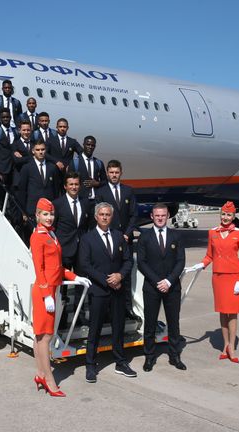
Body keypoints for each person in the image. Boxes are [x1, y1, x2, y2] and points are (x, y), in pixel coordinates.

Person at [30, 198, 91, 397]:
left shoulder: (51, 234)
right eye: (45, 214)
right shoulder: (38, 236)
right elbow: (39, 269)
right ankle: (49, 380)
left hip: (49, 291)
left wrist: (76, 277)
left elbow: (57, 267)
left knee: (40, 336)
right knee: (46, 337)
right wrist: (47, 295)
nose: (49, 217)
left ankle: (40, 374)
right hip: (44, 291)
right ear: (37, 215)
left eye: (51, 214)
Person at [79, 202, 135, 383]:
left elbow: (128, 261)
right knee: (94, 329)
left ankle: (121, 362)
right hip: (99, 291)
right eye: (101, 214)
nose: (104, 217)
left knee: (118, 327)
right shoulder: (87, 239)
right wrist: (107, 280)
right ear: (96, 217)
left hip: (118, 290)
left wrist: (120, 275)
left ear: (112, 217)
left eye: (108, 214)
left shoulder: (119, 236)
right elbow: (85, 265)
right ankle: (90, 365)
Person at [188, 201, 239, 363]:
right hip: (218, 278)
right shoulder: (212, 232)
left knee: (232, 313)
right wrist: (201, 264)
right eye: (223, 214)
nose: (225, 217)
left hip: (234, 277)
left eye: (229, 215)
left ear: (233, 216)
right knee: (222, 312)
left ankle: (232, 348)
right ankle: (225, 345)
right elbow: (209, 255)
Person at [137, 203, 187, 372]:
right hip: (152, 287)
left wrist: (169, 281)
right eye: (157, 215)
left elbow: (181, 261)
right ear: (152, 216)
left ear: (167, 216)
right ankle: (149, 357)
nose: (160, 218)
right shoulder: (144, 236)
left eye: (163, 215)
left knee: (174, 324)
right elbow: (141, 263)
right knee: (150, 324)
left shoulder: (176, 236)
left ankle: (175, 356)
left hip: (172, 287)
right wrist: (158, 281)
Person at [94, 159, 138, 320]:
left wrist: (126, 233)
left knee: (125, 276)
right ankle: (107, 311)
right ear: (107, 173)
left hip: (126, 239)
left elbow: (134, 215)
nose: (114, 175)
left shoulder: (128, 191)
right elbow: (101, 218)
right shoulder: (101, 192)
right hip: (109, 240)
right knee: (108, 274)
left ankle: (127, 308)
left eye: (116, 172)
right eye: (111, 172)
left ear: (121, 173)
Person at [53, 172, 92, 270]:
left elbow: (89, 225)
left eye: (76, 184)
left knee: (81, 282)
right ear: (65, 186)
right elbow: (52, 228)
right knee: (62, 283)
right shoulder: (57, 204)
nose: (74, 187)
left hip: (82, 251)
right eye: (71, 184)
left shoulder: (86, 202)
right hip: (64, 251)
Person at [18, 141, 60, 218]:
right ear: (33, 151)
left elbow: (56, 190)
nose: (40, 152)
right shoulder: (26, 168)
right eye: (37, 150)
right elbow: (22, 191)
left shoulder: (52, 168)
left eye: (42, 149)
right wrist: (23, 211)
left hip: (49, 210)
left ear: (46, 150)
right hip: (32, 210)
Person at [69, 135, 106, 202]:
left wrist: (97, 183)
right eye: (88, 144)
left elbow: (105, 182)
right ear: (83, 145)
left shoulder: (98, 163)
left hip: (96, 201)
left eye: (92, 145)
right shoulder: (75, 162)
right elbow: (69, 182)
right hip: (80, 200)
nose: (90, 147)